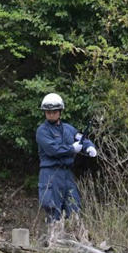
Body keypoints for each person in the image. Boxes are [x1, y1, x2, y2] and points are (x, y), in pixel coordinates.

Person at [36, 93, 97, 222]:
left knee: (74, 207)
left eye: (53, 111)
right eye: (48, 112)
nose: (51, 114)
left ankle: (74, 239)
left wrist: (89, 147)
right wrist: (72, 149)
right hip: (51, 174)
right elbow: (53, 149)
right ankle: (54, 240)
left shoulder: (69, 129)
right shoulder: (42, 131)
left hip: (67, 174)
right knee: (53, 211)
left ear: (60, 111)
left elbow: (81, 138)